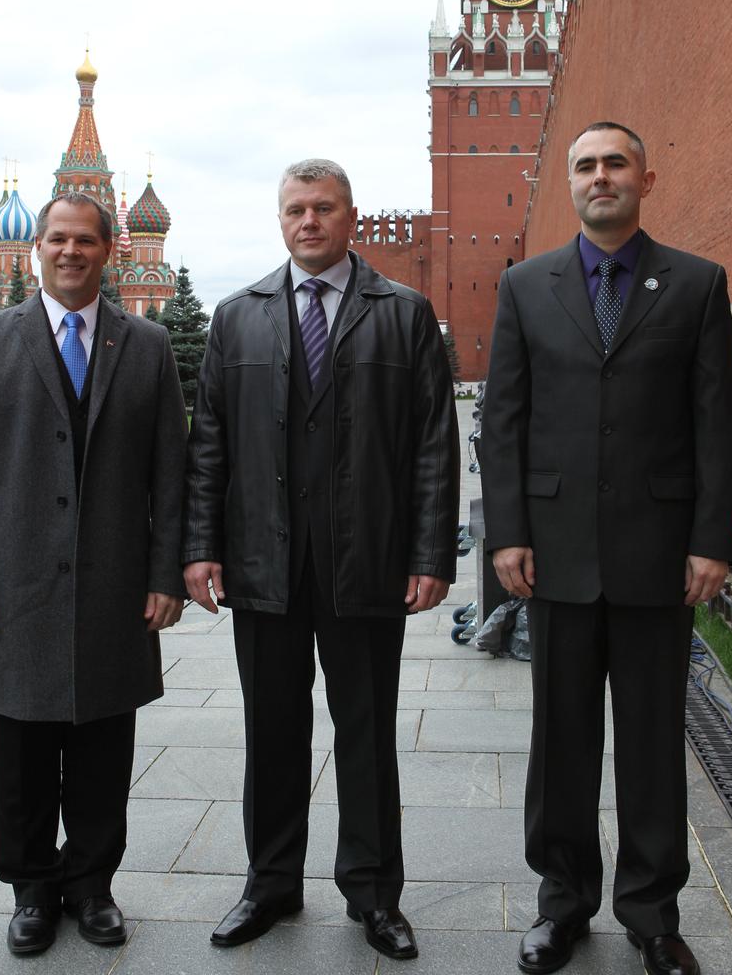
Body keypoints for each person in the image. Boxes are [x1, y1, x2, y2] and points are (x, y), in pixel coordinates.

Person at [479, 123, 732, 975]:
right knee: (559, 743)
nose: (600, 177)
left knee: (650, 742)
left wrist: (712, 541)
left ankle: (652, 914)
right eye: (585, 165)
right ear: (569, 183)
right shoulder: (524, 287)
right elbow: (503, 421)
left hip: (659, 556)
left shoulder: (697, 285)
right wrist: (508, 532)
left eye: (614, 164)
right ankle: (561, 905)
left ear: (645, 178)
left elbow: (718, 423)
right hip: (552, 555)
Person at [182, 158, 459, 961]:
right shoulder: (239, 317)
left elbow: (432, 446)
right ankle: (268, 885)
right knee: (271, 731)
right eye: (296, 209)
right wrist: (200, 548)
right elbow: (210, 448)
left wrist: (429, 552)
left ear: (350, 217)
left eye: (324, 208)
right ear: (280, 220)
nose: (309, 221)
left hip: (364, 561)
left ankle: (373, 894)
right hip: (265, 565)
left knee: (366, 731)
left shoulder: (401, 313)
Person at [0, 191, 187, 957]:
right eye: (57, 240)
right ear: (37, 248)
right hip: (14, 587)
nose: (70, 251)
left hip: (114, 585)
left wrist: (165, 574)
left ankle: (92, 886)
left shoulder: (145, 345)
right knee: (19, 755)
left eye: (85, 240)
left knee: (103, 749)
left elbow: (168, 474)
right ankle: (31, 891)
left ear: (110, 250)